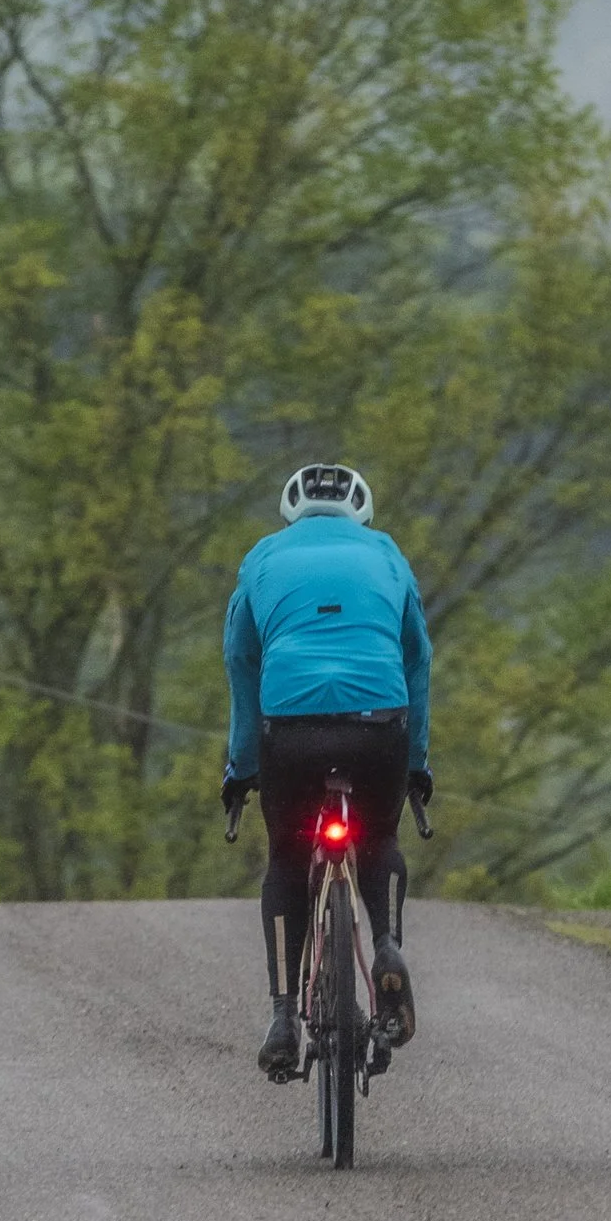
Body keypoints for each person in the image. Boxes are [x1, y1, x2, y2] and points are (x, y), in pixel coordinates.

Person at [222, 463, 433, 1080]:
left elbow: (241, 663)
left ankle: (284, 1015)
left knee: (288, 860)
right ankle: (387, 943)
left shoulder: (261, 558)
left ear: (292, 513)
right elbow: (417, 660)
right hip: (379, 722)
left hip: (291, 728)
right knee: (381, 840)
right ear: (360, 514)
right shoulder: (388, 554)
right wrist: (417, 763)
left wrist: (242, 766)